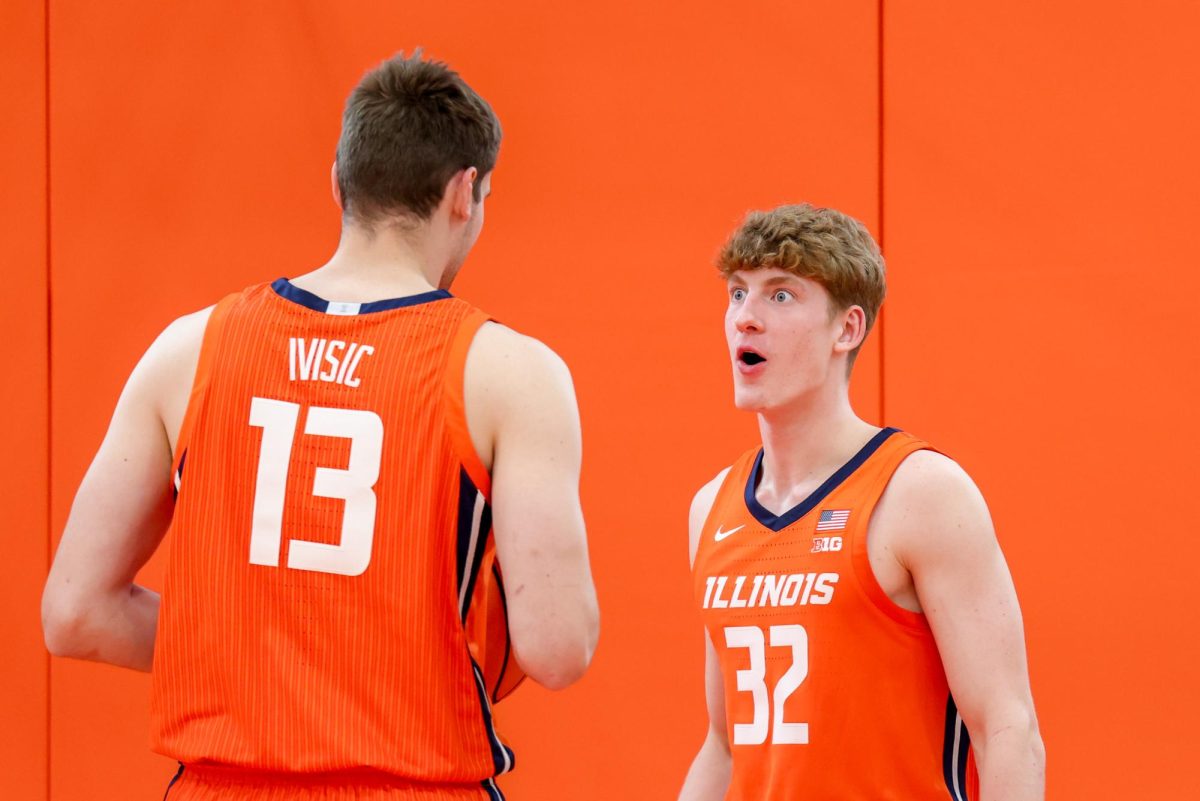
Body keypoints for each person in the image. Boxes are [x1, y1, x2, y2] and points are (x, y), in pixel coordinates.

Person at [42, 51, 599, 801]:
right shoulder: (509, 372)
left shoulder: (190, 347)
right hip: (411, 780)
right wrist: (372, 654)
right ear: (464, 192)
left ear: (339, 181)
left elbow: (76, 611)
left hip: (220, 785)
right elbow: (559, 646)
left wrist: (255, 650)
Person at [678, 204, 1044, 801]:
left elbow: (1008, 728)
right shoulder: (711, 508)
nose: (745, 318)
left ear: (846, 330)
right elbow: (723, 744)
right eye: (738, 293)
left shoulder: (919, 491)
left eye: (781, 296)